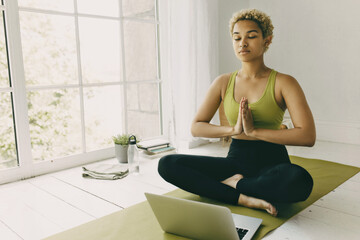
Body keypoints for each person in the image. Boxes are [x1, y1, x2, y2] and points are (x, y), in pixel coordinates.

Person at [158, 9, 315, 216]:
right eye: (237, 38)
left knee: (300, 181)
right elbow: (196, 127)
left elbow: (307, 135)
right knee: (167, 164)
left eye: (251, 36)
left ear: (266, 41)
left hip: (273, 163)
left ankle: (236, 186)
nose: (243, 43)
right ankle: (243, 196)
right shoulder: (223, 82)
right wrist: (234, 129)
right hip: (235, 162)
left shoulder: (284, 82)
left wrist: (254, 131)